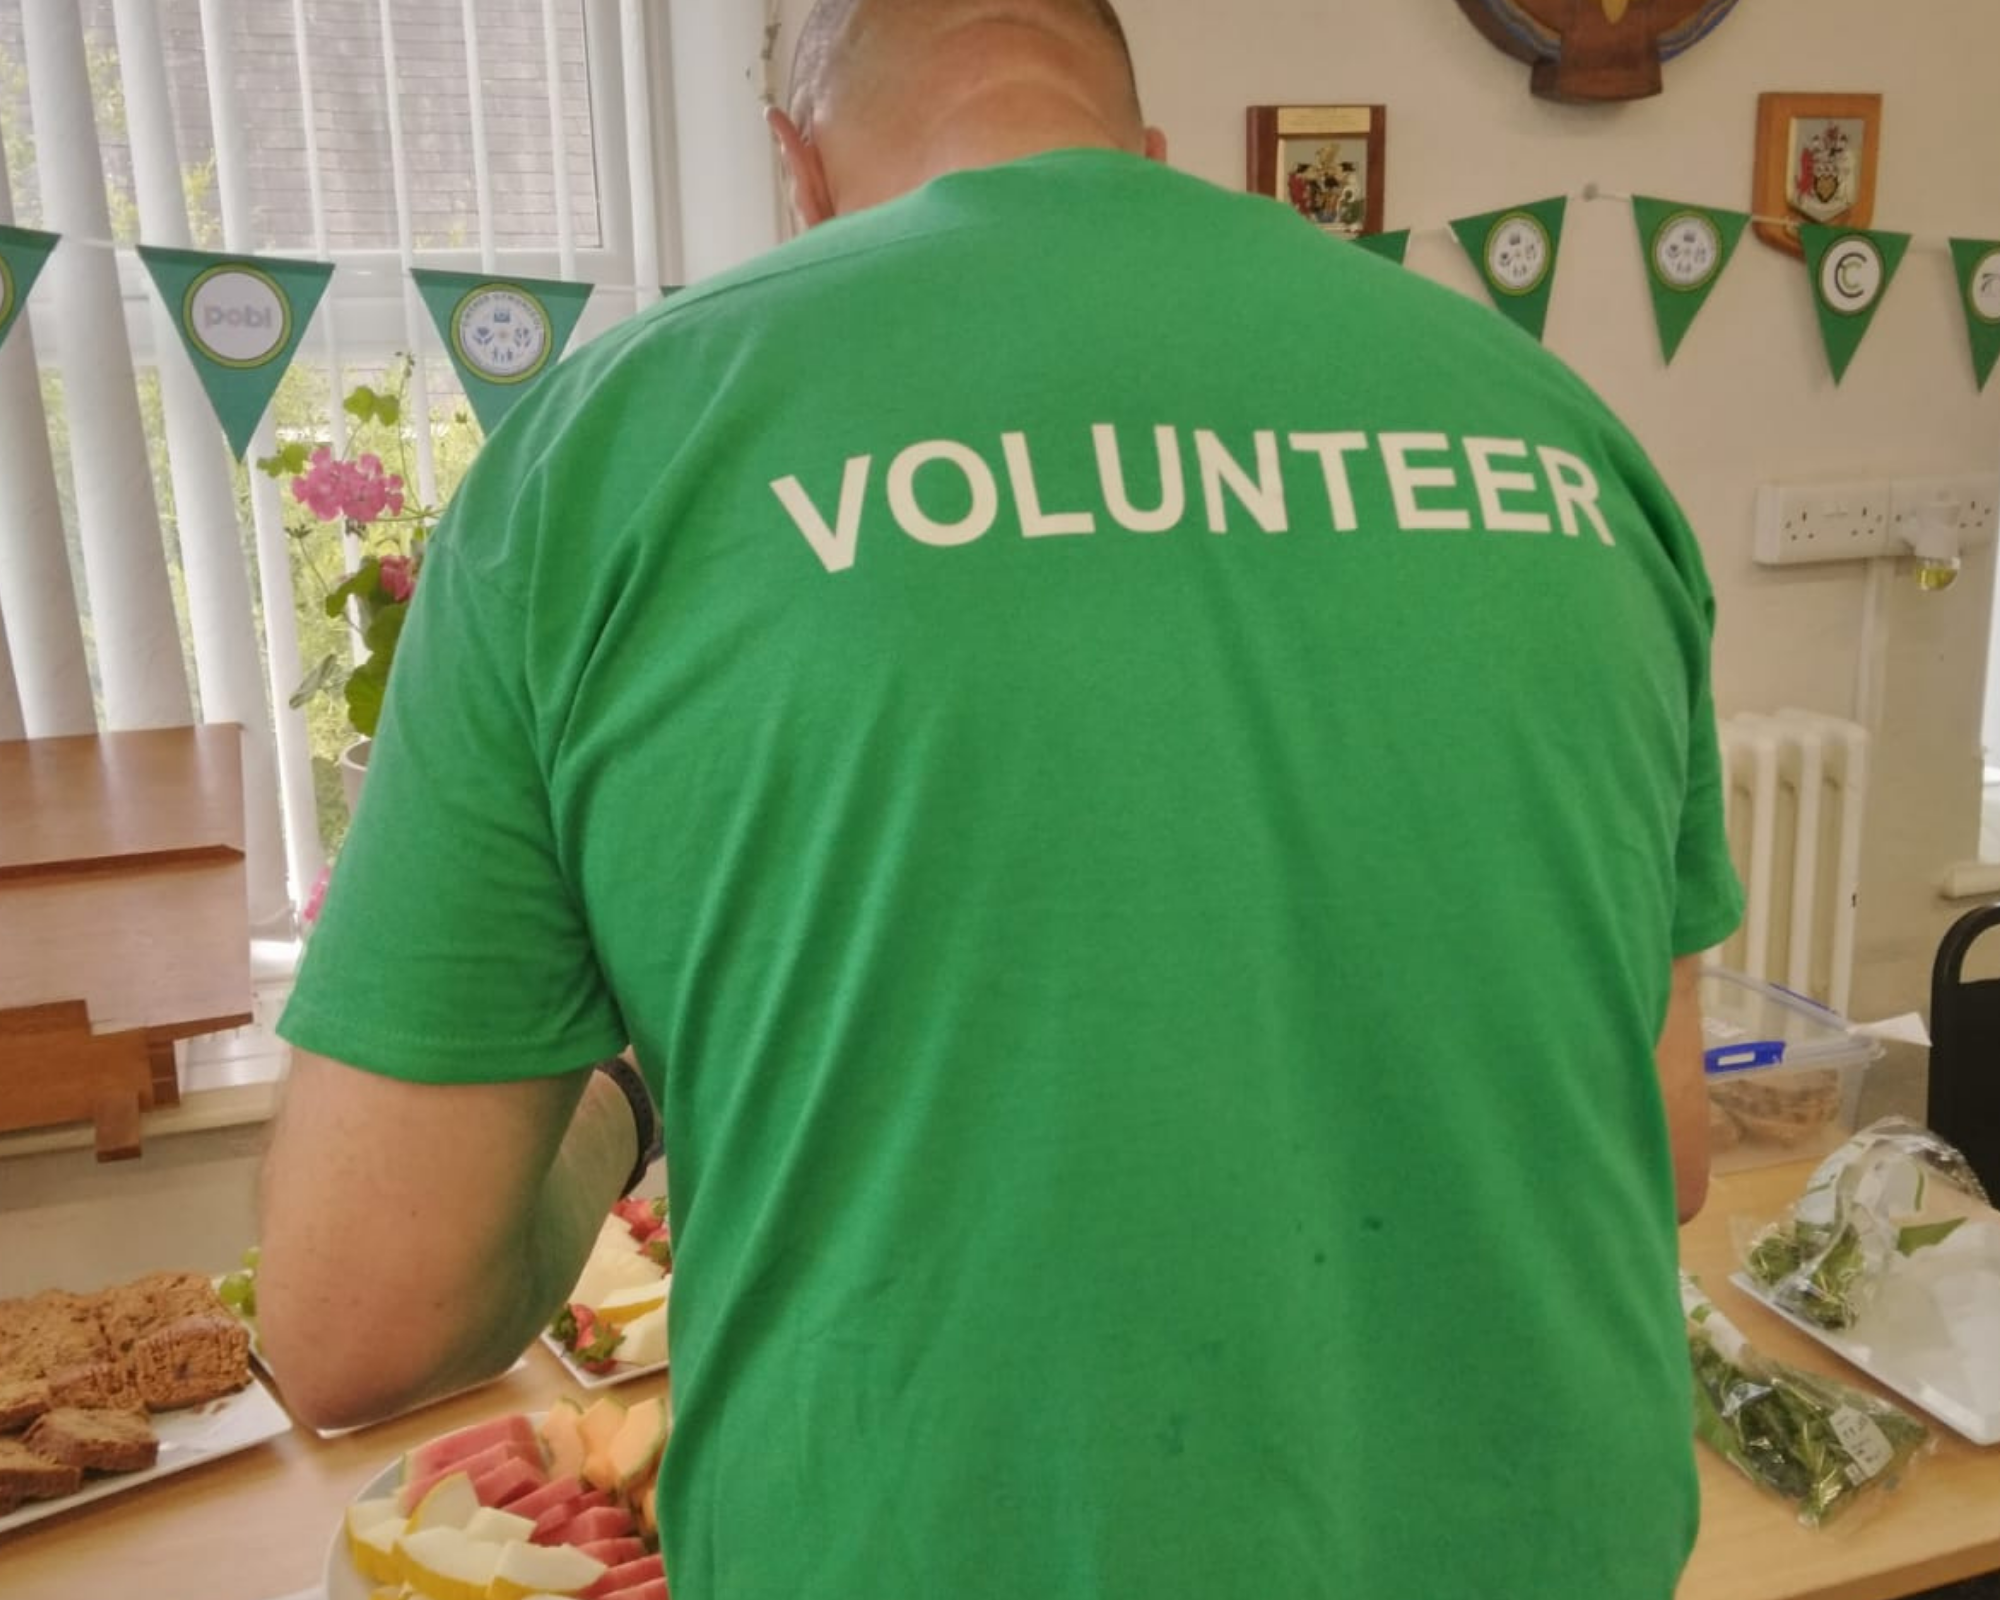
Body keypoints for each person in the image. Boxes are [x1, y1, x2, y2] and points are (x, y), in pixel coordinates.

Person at [258, 2, 1741, 1597]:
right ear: (1143, 157)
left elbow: (360, 1318)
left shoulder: (609, 451)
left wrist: (629, 1100)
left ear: (799, 175)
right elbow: (1664, 1147)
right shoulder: (1559, 428)